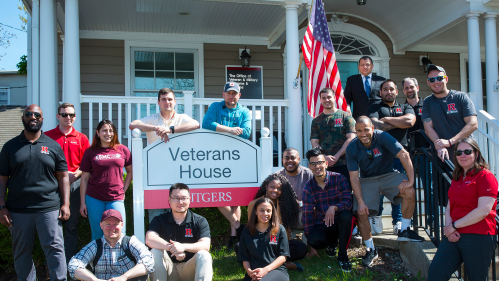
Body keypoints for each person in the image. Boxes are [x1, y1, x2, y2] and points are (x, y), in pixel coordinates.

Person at [0, 104, 70, 281]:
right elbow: (2, 179)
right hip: (18, 210)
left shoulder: (53, 146)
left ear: (42, 119)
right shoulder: (10, 147)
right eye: (28, 114)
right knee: (21, 252)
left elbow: (63, 177)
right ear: (23, 118)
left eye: (37, 115)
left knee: (55, 249)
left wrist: (66, 204)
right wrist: (2, 207)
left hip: (49, 209)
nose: (33, 117)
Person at [346, 116, 424, 267]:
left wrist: (410, 180)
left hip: (389, 174)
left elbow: (404, 154)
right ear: (355, 131)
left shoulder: (382, 136)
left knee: (409, 191)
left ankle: (405, 230)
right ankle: (370, 249)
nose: (363, 133)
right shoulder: (352, 147)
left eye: (366, 129)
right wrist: (361, 202)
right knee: (360, 211)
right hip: (367, 179)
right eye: (359, 131)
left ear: (373, 128)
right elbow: (354, 177)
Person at [428, 138, 498, 280]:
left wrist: (453, 225)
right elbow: (449, 207)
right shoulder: (457, 177)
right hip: (454, 235)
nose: (462, 155)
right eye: (459, 153)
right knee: (436, 274)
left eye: (467, 151)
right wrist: (449, 229)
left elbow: (483, 210)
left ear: (476, 154)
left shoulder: (485, 176)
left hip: (479, 235)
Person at [129, 87, 200, 222]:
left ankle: (175, 241)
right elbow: (133, 125)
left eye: (170, 99)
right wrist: (156, 128)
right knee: (156, 213)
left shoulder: (181, 118)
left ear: (174, 102)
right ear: (158, 102)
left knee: (177, 211)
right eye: (163, 100)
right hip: (155, 172)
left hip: (177, 170)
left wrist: (170, 130)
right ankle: (155, 242)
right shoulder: (153, 119)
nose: (167, 102)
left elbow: (196, 124)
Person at [202, 81, 252, 246]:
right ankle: (239, 226)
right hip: (215, 157)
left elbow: (246, 132)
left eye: (234, 93)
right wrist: (230, 130)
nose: (231, 96)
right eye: (228, 93)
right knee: (215, 195)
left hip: (237, 157)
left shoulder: (244, 111)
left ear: (239, 95)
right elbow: (206, 124)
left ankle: (234, 236)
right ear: (223, 94)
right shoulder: (215, 107)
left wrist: (231, 131)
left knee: (235, 199)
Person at [368, 79, 416, 234]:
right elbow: (375, 126)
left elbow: (409, 121)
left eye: (391, 89)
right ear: (380, 92)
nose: (388, 92)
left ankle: (398, 220)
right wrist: (399, 123)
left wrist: (387, 119)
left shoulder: (405, 106)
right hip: (379, 155)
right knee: (378, 188)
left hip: (399, 155)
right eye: (385, 89)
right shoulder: (375, 107)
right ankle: (377, 216)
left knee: (400, 188)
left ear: (396, 91)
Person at [45, 103, 90, 265]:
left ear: (75, 117)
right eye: (64, 114)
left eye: (71, 115)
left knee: (71, 225)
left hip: (75, 185)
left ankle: (69, 263)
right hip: (53, 185)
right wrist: (61, 175)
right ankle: (52, 264)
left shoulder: (82, 138)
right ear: (58, 116)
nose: (68, 118)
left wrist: (75, 174)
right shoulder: (48, 137)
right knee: (52, 225)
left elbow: (87, 164)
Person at [146, 183, 213, 281]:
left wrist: (183, 247)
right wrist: (173, 248)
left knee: (204, 255)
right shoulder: (159, 220)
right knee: (154, 252)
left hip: (189, 269)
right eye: (176, 198)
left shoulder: (199, 221)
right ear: (169, 200)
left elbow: (205, 245)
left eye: (184, 198)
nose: (180, 202)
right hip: (168, 269)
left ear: (189, 199)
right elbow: (149, 239)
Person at [302, 147, 354, 273]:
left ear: (326, 163)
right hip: (324, 223)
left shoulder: (339, 178)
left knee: (346, 215)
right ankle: (332, 243)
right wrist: (311, 244)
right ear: (309, 166)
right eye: (313, 164)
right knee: (314, 239)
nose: (317, 166)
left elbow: (348, 201)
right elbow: (307, 216)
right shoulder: (308, 187)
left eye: (320, 162)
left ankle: (342, 256)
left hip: (340, 220)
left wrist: (334, 207)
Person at [79, 119, 133, 240]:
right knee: (97, 233)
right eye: (104, 131)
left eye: (111, 130)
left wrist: (124, 190)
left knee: (119, 232)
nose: (108, 133)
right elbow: (84, 178)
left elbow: (130, 172)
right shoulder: (90, 152)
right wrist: (83, 203)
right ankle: (98, 259)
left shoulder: (123, 149)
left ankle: (119, 259)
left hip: (116, 198)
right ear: (98, 133)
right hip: (94, 198)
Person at [68, 209, 155, 281]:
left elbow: (148, 260)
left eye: (115, 224)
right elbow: (73, 264)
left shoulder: (130, 242)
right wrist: (94, 280)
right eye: (108, 224)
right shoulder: (95, 246)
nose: (112, 228)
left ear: (122, 225)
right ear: (101, 226)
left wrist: (124, 277)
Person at [247, 173, 307, 271]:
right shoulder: (254, 204)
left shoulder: (285, 204)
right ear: (266, 186)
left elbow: (285, 235)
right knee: (239, 247)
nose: (275, 191)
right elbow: (251, 228)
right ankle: (282, 264)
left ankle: (264, 262)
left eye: (279, 188)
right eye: (272, 187)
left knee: (301, 248)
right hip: (261, 242)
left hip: (279, 243)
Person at [422, 65, 478, 161]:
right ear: (428, 82)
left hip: (466, 153)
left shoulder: (460, 97)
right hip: (444, 156)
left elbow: (473, 124)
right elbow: (428, 128)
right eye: (432, 80)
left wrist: (450, 142)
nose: (436, 82)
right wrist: (440, 146)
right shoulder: (428, 102)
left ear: (446, 79)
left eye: (439, 78)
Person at [310, 87, 356, 181]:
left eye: (329, 97)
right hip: (324, 165)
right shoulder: (316, 121)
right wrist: (325, 157)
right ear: (320, 100)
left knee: (345, 192)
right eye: (324, 98)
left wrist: (336, 156)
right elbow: (314, 142)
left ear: (334, 98)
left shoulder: (346, 117)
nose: (326, 100)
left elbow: (351, 138)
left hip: (345, 163)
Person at [239, 197, 290, 281]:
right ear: (255, 211)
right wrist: (250, 272)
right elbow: (244, 258)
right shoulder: (246, 232)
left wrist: (265, 270)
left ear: (272, 212)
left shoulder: (280, 229)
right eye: (261, 210)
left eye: (268, 210)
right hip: (255, 272)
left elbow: (283, 256)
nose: (265, 213)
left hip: (276, 271)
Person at [277, 147, 314, 230]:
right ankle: (275, 241)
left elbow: (317, 198)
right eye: (286, 158)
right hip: (283, 213)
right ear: (282, 160)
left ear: (299, 159)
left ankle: (310, 240)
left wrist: (301, 204)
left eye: (293, 158)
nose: (290, 161)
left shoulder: (309, 175)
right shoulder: (277, 176)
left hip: (303, 212)